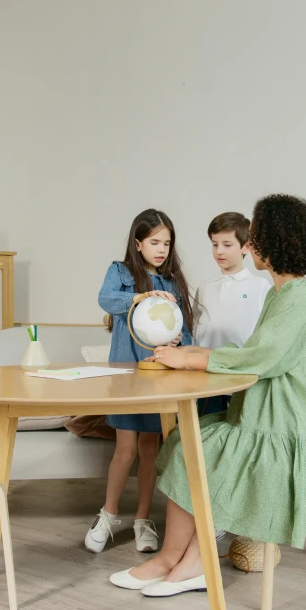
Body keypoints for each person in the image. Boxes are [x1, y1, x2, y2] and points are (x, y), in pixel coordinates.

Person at [108, 194, 306, 596]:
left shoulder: (299, 298)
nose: (249, 246)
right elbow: (253, 353)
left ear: (276, 243)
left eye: (254, 238)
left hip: (292, 427)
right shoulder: (281, 294)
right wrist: (191, 353)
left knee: (203, 452)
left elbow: (260, 358)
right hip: (264, 418)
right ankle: (173, 559)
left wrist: (191, 360)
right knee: (187, 441)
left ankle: (191, 564)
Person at [85, 209, 193, 555]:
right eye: (154, 242)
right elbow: (106, 299)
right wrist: (140, 297)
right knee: (125, 450)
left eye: (167, 243)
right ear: (138, 243)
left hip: (157, 379)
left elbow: (185, 332)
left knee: (150, 449)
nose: (161, 249)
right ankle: (109, 514)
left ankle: (142, 519)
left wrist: (178, 343)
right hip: (125, 377)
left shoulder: (173, 283)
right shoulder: (120, 273)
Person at [194, 211, 271, 418]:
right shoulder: (205, 287)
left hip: (242, 379)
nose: (219, 251)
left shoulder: (261, 287)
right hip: (205, 378)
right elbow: (195, 327)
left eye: (227, 245)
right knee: (203, 437)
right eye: (214, 244)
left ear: (246, 246)